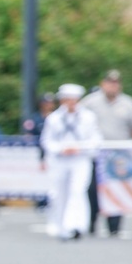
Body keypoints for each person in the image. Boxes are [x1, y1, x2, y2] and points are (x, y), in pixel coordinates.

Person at [80, 69, 132, 236]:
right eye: (109, 83)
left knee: (117, 189)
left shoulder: (128, 104)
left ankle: (114, 227)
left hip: (119, 156)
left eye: (115, 83)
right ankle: (91, 223)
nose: (112, 86)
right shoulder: (90, 102)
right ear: (103, 84)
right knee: (92, 189)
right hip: (97, 153)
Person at [40, 84, 102, 241]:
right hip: (60, 159)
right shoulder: (54, 118)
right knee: (59, 193)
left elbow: (95, 140)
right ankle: (60, 225)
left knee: (78, 191)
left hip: (80, 158)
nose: (70, 103)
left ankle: (76, 225)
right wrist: (60, 149)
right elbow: (47, 141)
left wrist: (80, 148)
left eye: (73, 100)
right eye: (66, 100)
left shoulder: (88, 117)